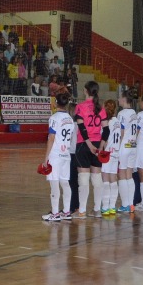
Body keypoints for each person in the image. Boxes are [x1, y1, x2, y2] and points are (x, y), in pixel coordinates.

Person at [73, 81, 106, 217]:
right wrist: (101, 145)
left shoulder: (80, 107)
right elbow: (107, 129)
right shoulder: (101, 108)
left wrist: (88, 144)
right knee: (97, 178)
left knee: (83, 179)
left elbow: (81, 127)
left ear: (86, 90)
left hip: (83, 144)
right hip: (97, 144)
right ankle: (97, 210)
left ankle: (82, 211)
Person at [42, 93, 76, 222]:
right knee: (65, 182)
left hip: (55, 154)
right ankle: (66, 211)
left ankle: (55, 213)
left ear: (56, 103)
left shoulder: (54, 118)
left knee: (54, 183)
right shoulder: (70, 119)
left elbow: (51, 138)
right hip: (66, 154)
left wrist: (46, 158)